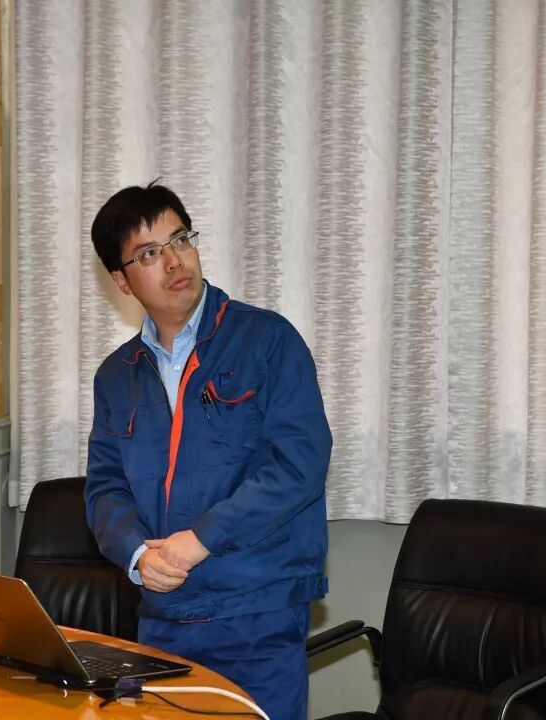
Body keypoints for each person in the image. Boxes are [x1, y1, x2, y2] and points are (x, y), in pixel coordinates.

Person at [84, 181, 332, 720]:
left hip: (257, 616)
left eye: (180, 239)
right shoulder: (116, 376)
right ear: (122, 281)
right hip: (162, 622)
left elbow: (299, 465)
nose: (174, 261)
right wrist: (137, 555)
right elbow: (105, 489)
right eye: (149, 253)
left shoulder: (267, 341)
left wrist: (202, 539)